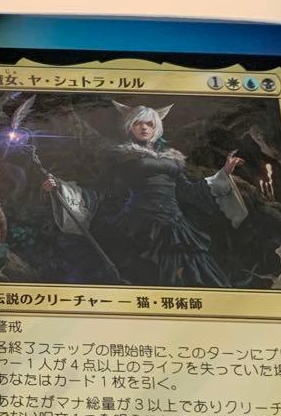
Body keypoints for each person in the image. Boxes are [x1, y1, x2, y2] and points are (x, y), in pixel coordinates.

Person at [42, 101, 248, 287]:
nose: (144, 128)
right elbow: (103, 188)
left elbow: (188, 191)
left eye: (149, 124)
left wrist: (224, 173)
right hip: (138, 224)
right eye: (138, 123)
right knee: (141, 275)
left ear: (156, 127)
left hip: (175, 226)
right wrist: (59, 187)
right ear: (129, 126)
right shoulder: (121, 155)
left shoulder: (172, 158)